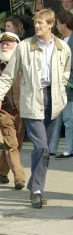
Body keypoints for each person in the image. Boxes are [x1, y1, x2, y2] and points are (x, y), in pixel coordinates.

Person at [0, 9, 71, 209]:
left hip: (54, 100)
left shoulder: (62, 48)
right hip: (32, 100)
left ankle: (34, 183)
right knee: (41, 146)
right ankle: (37, 191)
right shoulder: (23, 47)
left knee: (45, 150)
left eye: (41, 23)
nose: (37, 26)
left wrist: (61, 88)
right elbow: (8, 76)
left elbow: (67, 71)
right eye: (36, 22)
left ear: (51, 24)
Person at [50, 11, 73, 159]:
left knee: (69, 119)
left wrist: (69, 86)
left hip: (68, 87)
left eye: (57, 23)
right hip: (60, 86)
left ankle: (71, 149)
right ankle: (52, 148)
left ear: (64, 24)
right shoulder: (63, 38)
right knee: (57, 119)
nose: (56, 26)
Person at [0, 32, 25, 190]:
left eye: (9, 43)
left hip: (22, 111)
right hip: (4, 111)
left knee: (18, 144)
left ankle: (2, 171)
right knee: (11, 144)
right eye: (2, 43)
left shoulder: (23, 65)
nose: (5, 45)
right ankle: (19, 177)